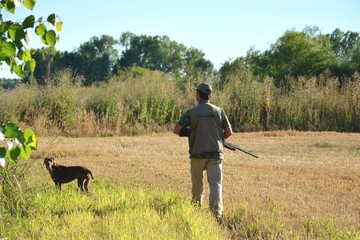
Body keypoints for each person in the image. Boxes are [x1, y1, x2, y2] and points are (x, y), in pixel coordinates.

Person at [173, 83, 232, 223]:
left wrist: (190, 133)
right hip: (215, 154)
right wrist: (219, 138)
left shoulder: (191, 112)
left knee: (197, 185)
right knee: (216, 184)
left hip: (197, 155)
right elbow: (229, 132)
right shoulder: (219, 111)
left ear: (198, 94)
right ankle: (216, 216)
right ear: (209, 95)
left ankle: (195, 211)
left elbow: (176, 130)